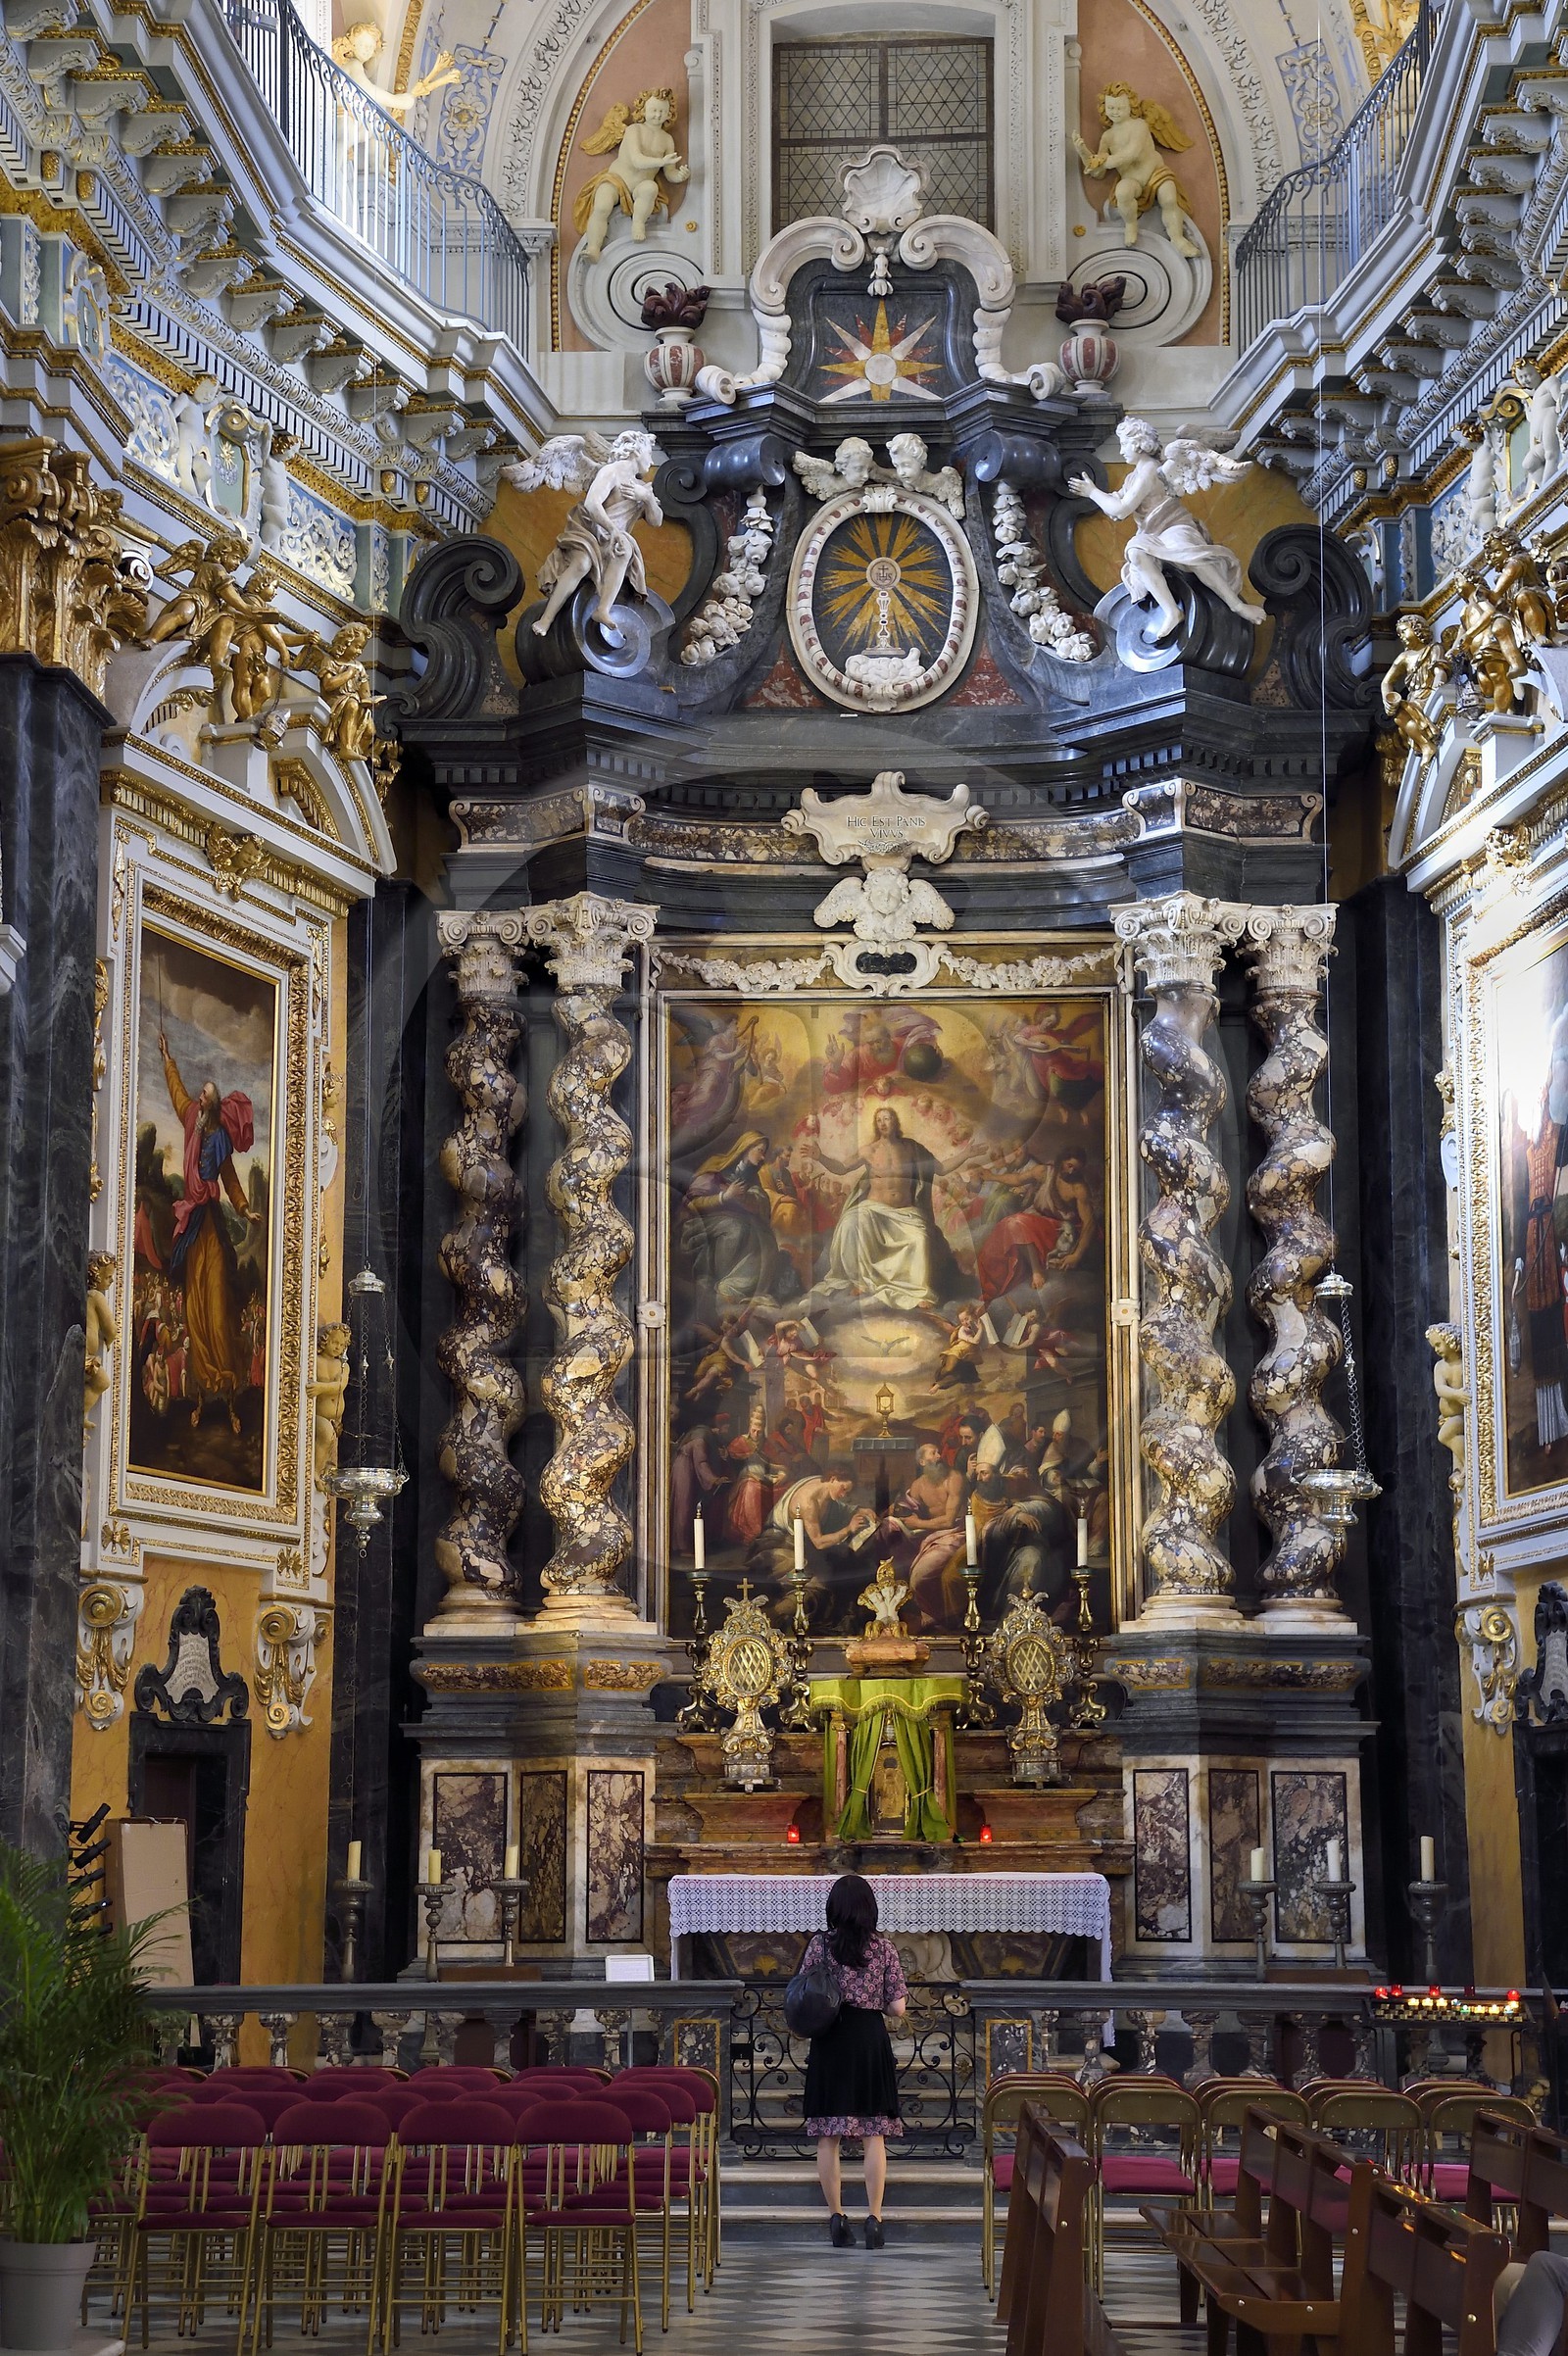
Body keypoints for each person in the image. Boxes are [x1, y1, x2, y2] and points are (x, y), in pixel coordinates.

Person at [801, 1874, 907, 2248]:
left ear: (833, 1907)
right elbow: (897, 2007)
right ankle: (874, 2219)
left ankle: (836, 2216)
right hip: (867, 2039)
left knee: (828, 2134)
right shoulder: (883, 1948)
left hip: (831, 2038)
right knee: (873, 2133)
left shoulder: (819, 1946)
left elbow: (805, 1992)